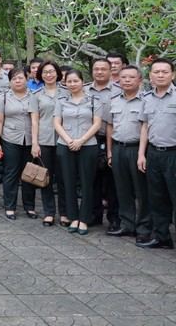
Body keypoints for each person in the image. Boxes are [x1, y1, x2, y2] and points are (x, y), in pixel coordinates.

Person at [54, 69, 102, 236]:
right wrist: (69, 141)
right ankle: (73, 217)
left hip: (88, 145)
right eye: (69, 81)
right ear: (65, 83)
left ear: (83, 81)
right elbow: (57, 123)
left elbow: (97, 123)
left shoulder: (94, 99)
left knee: (87, 182)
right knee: (68, 182)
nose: (72, 84)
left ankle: (84, 219)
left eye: (76, 81)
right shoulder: (61, 100)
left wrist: (81, 140)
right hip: (65, 145)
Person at [105, 65, 150, 243]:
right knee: (122, 189)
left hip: (138, 149)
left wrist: (142, 154)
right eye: (124, 77)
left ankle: (144, 227)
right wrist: (109, 151)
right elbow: (110, 126)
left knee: (142, 191)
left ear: (140, 80)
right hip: (118, 148)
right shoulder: (114, 99)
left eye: (131, 77)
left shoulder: (147, 100)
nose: (127, 80)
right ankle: (127, 224)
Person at [137, 58, 176, 249]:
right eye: (156, 72)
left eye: (165, 72)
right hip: (153, 154)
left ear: (173, 74)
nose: (160, 75)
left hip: (173, 155)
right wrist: (141, 154)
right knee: (157, 198)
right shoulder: (147, 97)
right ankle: (162, 238)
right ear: (150, 76)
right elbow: (144, 126)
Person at [0, 68, 38, 220]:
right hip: (10, 139)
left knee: (29, 173)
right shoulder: (3, 98)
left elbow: (35, 121)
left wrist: (36, 143)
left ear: (27, 79)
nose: (17, 81)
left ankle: (29, 207)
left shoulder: (33, 97)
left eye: (20, 78)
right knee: (10, 173)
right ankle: (9, 206)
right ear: (10, 81)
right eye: (14, 79)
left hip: (29, 140)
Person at [86, 57, 121, 230]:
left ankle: (114, 217)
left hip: (113, 140)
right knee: (92, 180)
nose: (99, 72)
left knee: (113, 181)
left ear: (110, 71)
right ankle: (94, 214)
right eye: (96, 69)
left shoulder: (119, 91)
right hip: (89, 140)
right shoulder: (84, 90)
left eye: (103, 69)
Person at [31, 61, 67, 227]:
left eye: (52, 71)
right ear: (40, 75)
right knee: (45, 178)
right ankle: (49, 213)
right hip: (44, 140)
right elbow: (34, 121)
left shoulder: (67, 92)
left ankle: (65, 213)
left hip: (64, 140)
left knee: (64, 178)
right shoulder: (36, 95)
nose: (49, 74)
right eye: (45, 72)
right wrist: (34, 143)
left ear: (58, 73)